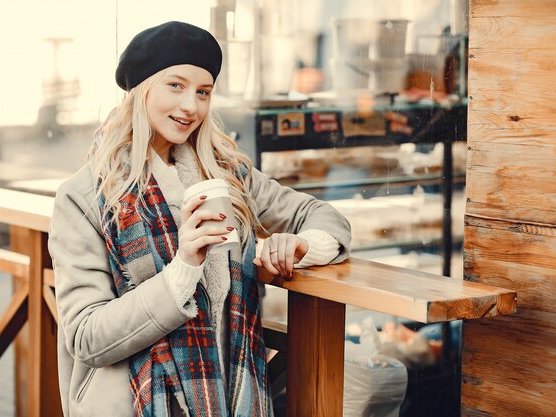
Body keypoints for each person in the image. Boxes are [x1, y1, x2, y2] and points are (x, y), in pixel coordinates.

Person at [48, 21, 351, 417]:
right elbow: (86, 337)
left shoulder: (227, 175)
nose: (191, 106)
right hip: (133, 403)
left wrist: (301, 244)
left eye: (203, 92)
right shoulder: (86, 197)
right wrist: (182, 269)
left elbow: (325, 217)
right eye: (176, 85)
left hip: (229, 395)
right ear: (142, 90)